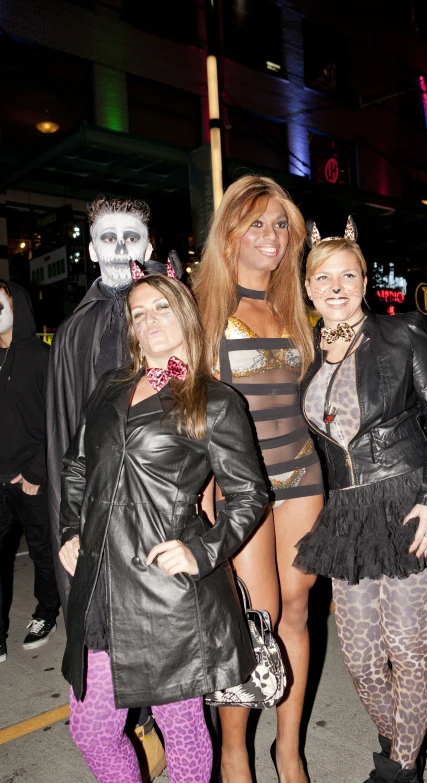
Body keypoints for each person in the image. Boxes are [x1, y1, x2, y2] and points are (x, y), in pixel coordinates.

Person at [293, 222, 427, 783]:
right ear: (308, 288)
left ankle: (402, 766)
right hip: (349, 513)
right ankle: (403, 730)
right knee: (360, 659)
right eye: (323, 278)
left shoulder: (404, 331)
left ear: (365, 282)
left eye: (348, 275)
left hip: (412, 497)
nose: (336, 287)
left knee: (407, 647)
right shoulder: (307, 350)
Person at [58, 265, 268, 783]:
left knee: (183, 730)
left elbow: (249, 494)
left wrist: (202, 552)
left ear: (186, 316)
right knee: (90, 730)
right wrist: (68, 530)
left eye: (162, 307)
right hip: (102, 582)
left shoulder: (215, 400)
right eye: (139, 312)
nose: (150, 319)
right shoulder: (111, 384)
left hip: (169, 593)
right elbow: (79, 464)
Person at [193, 175, 323, 783]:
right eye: (257, 224)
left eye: (280, 225)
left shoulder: (299, 306)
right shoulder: (201, 310)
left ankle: (289, 751)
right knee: (254, 619)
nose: (271, 236)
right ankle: (235, 750)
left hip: (301, 474)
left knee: (296, 611)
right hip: (238, 486)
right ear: (229, 235)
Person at [46, 195, 165, 776]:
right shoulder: (74, 333)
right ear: (91, 248)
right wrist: (70, 526)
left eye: (130, 236)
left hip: (167, 523)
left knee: (178, 691)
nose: (119, 247)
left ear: (148, 243)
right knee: (99, 678)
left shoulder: (173, 314)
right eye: (107, 237)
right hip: (97, 523)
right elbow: (62, 445)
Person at [0, 280, 60, 662]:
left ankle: (45, 614)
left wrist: (38, 472)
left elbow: (58, 419)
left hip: (31, 479)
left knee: (42, 552)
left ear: (15, 306)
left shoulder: (41, 356)